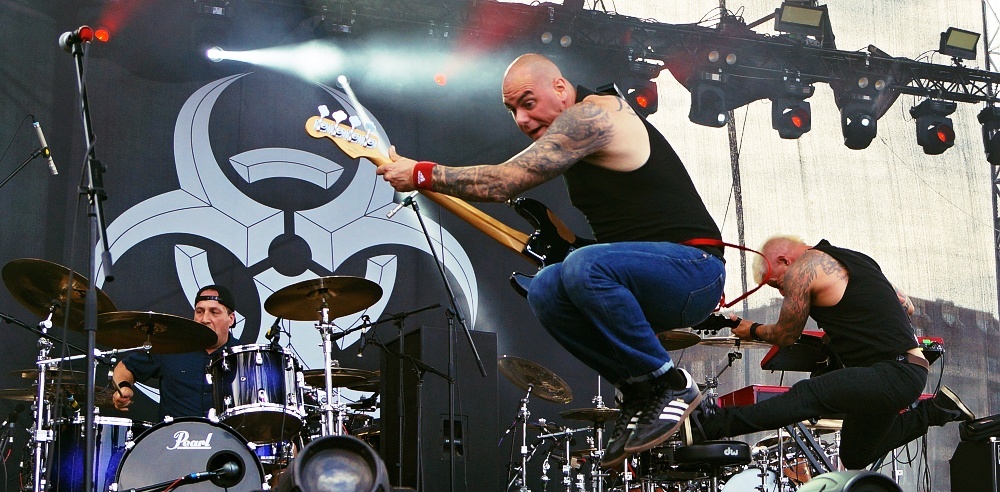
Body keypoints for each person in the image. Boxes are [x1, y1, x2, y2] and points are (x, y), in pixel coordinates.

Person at [376, 54, 726, 469]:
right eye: (512, 111)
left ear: (561, 88)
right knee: (545, 288)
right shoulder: (576, 128)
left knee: (582, 268)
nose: (522, 120)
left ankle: (671, 384)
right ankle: (639, 389)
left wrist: (420, 173)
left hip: (695, 272)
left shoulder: (593, 116)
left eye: (528, 103)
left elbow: (504, 182)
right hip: (647, 278)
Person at [683, 236, 974, 469]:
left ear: (784, 261)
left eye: (776, 283)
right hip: (908, 370)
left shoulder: (804, 268)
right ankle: (936, 410)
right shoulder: (857, 259)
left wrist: (754, 329)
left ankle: (712, 425)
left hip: (891, 372)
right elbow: (906, 305)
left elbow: (786, 335)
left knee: (808, 395)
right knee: (857, 455)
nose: (782, 292)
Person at [111, 284, 239, 419]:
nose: (204, 319)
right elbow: (125, 367)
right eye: (200, 312)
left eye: (214, 312)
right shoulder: (172, 347)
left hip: (226, 432)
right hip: (176, 432)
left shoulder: (244, 356)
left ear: (231, 319)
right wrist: (124, 386)